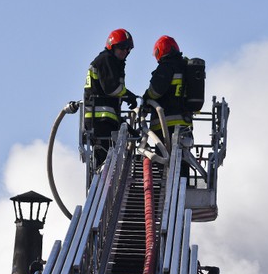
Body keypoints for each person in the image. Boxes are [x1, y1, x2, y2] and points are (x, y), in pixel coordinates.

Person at [143, 36, 199, 177]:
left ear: (161, 51)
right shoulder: (187, 67)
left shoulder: (166, 67)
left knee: (163, 164)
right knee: (182, 161)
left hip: (164, 126)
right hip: (185, 125)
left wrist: (145, 100)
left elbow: (155, 91)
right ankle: (183, 187)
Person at [83, 28, 138, 169]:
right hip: (100, 119)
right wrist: (129, 96)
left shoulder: (112, 62)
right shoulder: (106, 60)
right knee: (105, 161)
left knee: (109, 160)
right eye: (122, 48)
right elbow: (112, 88)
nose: (125, 52)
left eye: (128, 49)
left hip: (105, 118)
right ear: (112, 46)